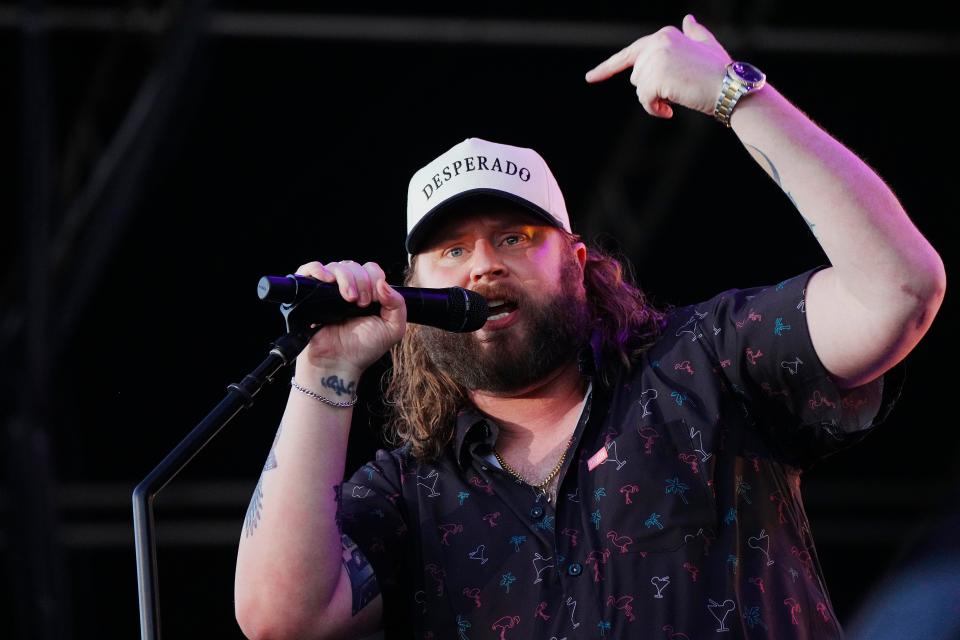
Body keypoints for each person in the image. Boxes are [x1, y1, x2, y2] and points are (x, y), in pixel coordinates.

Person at [234, 15, 946, 640]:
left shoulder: (707, 363)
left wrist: (737, 95)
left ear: (578, 262)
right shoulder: (410, 493)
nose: (483, 266)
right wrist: (323, 368)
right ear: (411, 293)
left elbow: (899, 290)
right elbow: (277, 616)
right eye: (452, 252)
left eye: (515, 237)